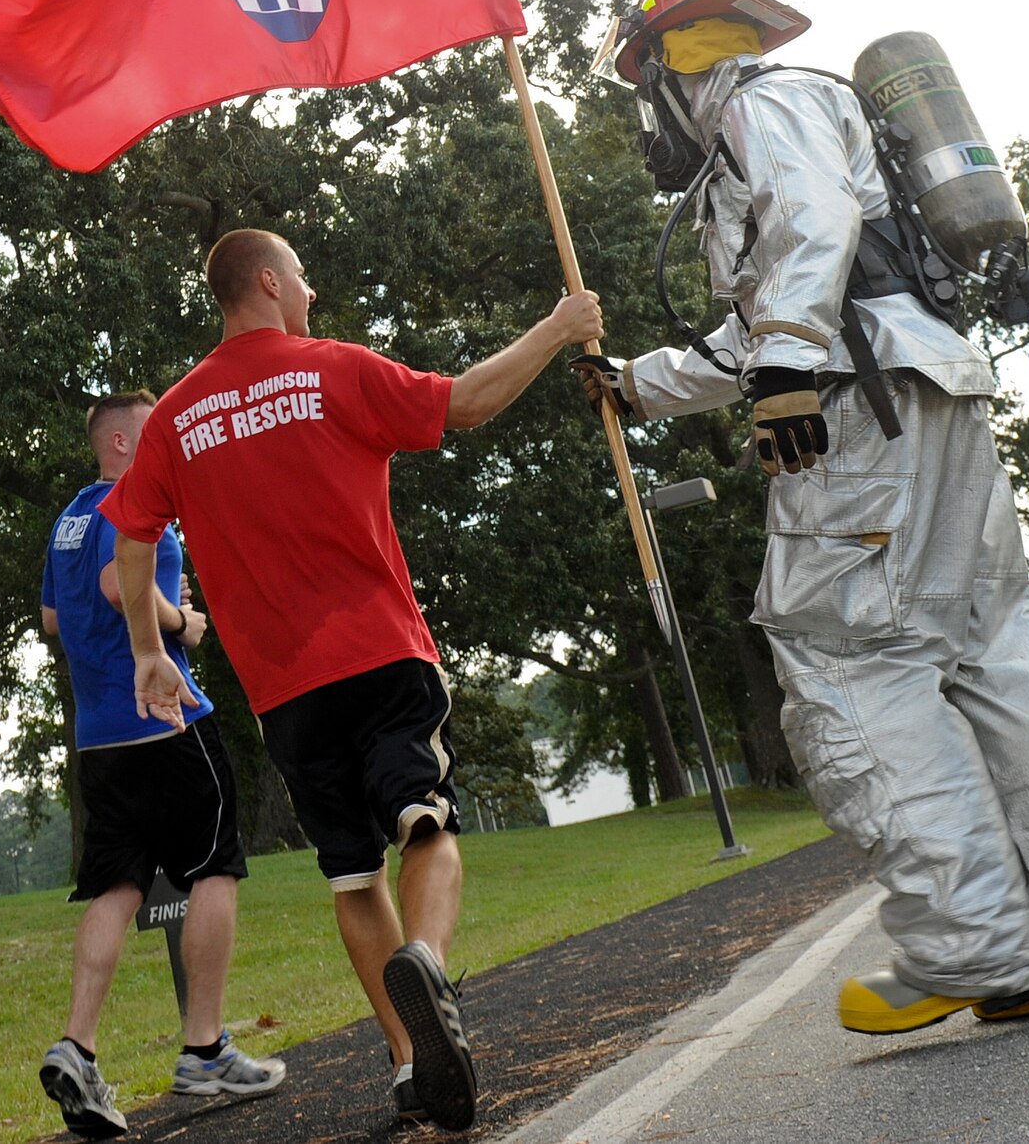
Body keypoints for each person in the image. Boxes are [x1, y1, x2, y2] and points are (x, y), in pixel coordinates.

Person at [576, 0, 1029, 1035]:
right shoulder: (802, 108)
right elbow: (789, 292)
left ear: (664, 64)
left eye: (637, 81)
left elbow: (808, 223)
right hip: (930, 396)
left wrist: (788, 362)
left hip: (856, 410)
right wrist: (639, 382)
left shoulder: (760, 103)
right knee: (989, 659)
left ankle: (974, 946)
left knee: (847, 660)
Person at [101, 229, 604, 1132]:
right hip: (379, 651)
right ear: (265, 280)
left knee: (349, 874)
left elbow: (132, 541)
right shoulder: (330, 368)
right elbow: (466, 402)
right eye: (299, 273)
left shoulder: (174, 418)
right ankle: (427, 963)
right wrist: (559, 329)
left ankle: (413, 1066)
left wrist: (148, 651)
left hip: (282, 688)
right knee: (428, 824)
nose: (312, 287)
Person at [36, 390, 285, 1139]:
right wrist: (185, 621)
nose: (165, 443)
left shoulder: (68, 519)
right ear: (118, 442)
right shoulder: (137, 505)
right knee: (216, 866)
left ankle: (77, 1046)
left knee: (115, 886)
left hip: (100, 740)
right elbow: (121, 586)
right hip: (167, 721)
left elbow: (54, 619)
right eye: (152, 433)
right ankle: (205, 1050)